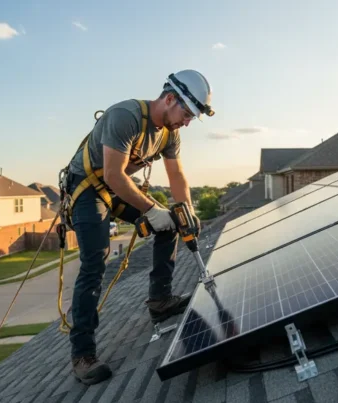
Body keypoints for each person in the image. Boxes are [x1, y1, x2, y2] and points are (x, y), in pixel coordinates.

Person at [64, 69, 215, 385]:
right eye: (186, 113)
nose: (187, 122)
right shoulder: (126, 116)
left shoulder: (169, 133)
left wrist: (184, 210)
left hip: (113, 184)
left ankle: (160, 301)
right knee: (95, 260)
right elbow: (113, 175)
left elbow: (176, 177)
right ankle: (82, 355)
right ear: (169, 98)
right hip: (88, 186)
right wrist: (151, 209)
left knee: (171, 223)